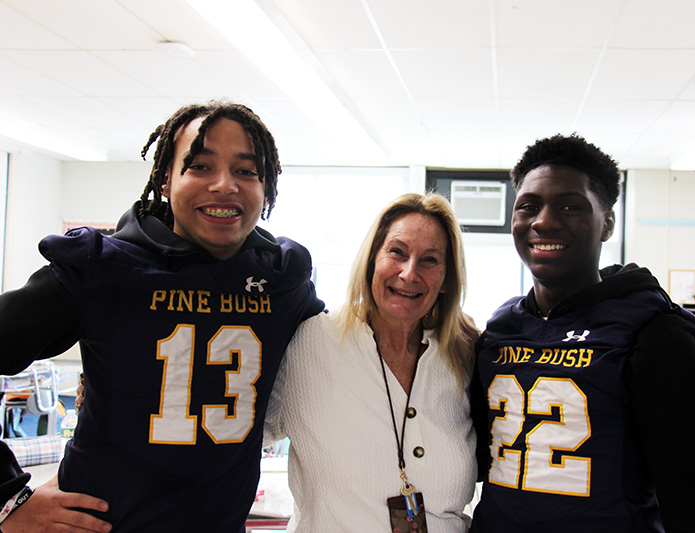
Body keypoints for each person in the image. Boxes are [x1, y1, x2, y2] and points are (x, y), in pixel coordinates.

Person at [0, 100, 324, 532]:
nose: (225, 185)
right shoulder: (103, 269)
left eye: (247, 171)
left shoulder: (281, 281)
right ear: (167, 179)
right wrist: (8, 497)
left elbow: (353, 352)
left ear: (266, 189)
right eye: (201, 166)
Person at [468, 134, 695, 532]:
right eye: (529, 206)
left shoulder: (657, 334)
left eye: (570, 206)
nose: (544, 220)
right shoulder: (500, 331)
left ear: (607, 223)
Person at [263, 192, 480, 531]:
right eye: (397, 252)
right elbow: (231, 440)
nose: (409, 273)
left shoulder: (461, 355)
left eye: (430, 260)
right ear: (371, 259)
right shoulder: (311, 342)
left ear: (446, 280)